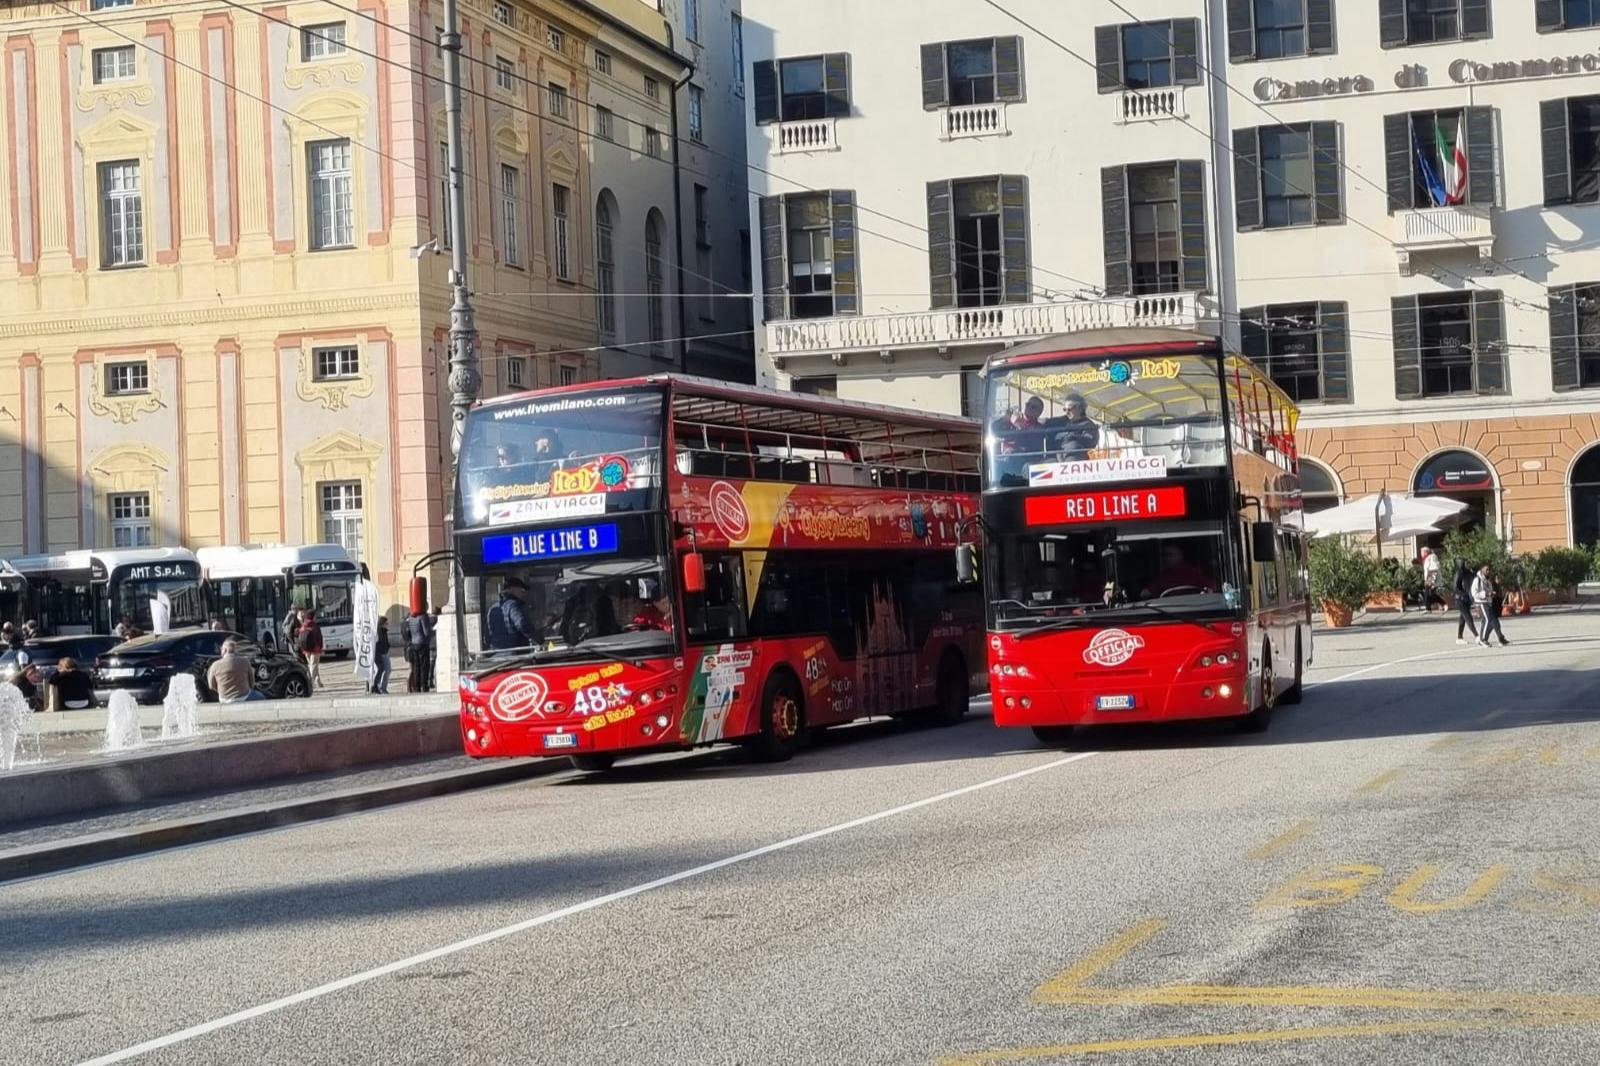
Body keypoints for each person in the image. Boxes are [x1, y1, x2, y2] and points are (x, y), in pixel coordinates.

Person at [485, 578, 536, 652]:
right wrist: (539, 640)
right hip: (516, 653)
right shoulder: (513, 605)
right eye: (522, 590)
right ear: (513, 589)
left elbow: (488, 635)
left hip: (496, 655)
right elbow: (522, 624)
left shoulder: (492, 608)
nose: (523, 594)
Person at [1145, 544, 1215, 597]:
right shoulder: (1162, 576)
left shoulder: (1194, 572)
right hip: (1169, 610)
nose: (1166, 558)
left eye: (1170, 555)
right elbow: (1148, 592)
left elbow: (1210, 587)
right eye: (1164, 555)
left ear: (1180, 555)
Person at [206, 639, 262, 704]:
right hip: (243, 697)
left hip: (224, 699)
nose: (221, 651)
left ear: (225, 650)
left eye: (221, 649)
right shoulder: (245, 661)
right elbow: (252, 682)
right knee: (262, 697)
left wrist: (221, 690)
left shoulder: (215, 665)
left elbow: (211, 685)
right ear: (235, 650)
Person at [1050, 392, 1100, 462]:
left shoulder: (1088, 424)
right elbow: (1049, 422)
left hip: (1075, 457)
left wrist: (1073, 437)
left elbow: (1091, 441)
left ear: (1079, 408)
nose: (1066, 412)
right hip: (1057, 457)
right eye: (1064, 409)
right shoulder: (1062, 421)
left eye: (1069, 409)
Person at [1471, 564, 1508, 648]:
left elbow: (1490, 591)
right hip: (1482, 602)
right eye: (1486, 569)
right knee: (1488, 620)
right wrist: (1486, 594)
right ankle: (1483, 639)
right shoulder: (1477, 580)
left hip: (1489, 603)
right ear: (1482, 569)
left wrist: (1492, 594)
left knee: (1491, 622)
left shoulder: (1487, 580)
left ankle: (1489, 638)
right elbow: (1474, 593)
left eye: (1489, 570)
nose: (1488, 571)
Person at [403, 606, 435, 693]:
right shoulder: (423, 616)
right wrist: (432, 632)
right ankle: (424, 685)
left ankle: (417, 686)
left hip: (414, 643)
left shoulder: (411, 618)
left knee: (416, 667)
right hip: (422, 643)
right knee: (424, 666)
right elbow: (426, 632)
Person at [1453, 560, 1479, 644]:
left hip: (1467, 599)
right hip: (1460, 599)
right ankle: (1477, 636)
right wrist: (1464, 594)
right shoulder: (1459, 573)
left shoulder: (1471, 573)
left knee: (1463, 618)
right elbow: (1455, 588)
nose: (1468, 564)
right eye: (1466, 563)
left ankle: (1459, 637)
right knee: (1468, 617)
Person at [297, 610, 325, 688]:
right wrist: (321, 648)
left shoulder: (303, 625)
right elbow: (319, 638)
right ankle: (310, 683)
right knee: (313, 666)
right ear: (313, 617)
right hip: (315, 649)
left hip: (306, 649)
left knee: (313, 665)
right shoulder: (315, 626)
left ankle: (318, 681)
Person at [371, 617, 392, 695]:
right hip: (382, 653)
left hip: (384, 652)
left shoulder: (383, 631)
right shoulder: (380, 631)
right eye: (386, 623)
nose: (388, 625)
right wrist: (385, 649)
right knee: (385, 669)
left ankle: (380, 686)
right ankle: (380, 687)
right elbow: (380, 643)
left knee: (386, 670)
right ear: (382, 624)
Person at [1420, 548, 1444, 613]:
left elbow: (1434, 568)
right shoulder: (1427, 558)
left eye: (1422, 552)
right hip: (1429, 578)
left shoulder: (1432, 557)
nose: (1421, 554)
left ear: (1425, 552)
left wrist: (1431, 581)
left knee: (1430, 594)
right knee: (1427, 593)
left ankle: (1442, 603)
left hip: (1431, 578)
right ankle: (1428, 608)